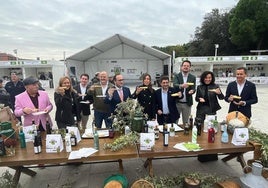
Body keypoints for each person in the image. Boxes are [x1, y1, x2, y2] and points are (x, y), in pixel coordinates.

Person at [173, 60, 196, 125]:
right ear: (181, 67)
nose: (186, 67)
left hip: (187, 103)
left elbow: (194, 88)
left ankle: (186, 134)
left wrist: (192, 91)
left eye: (188, 66)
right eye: (184, 66)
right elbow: (175, 85)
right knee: (175, 121)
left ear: (190, 68)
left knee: (186, 122)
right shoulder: (177, 76)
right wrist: (181, 86)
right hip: (177, 103)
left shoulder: (192, 77)